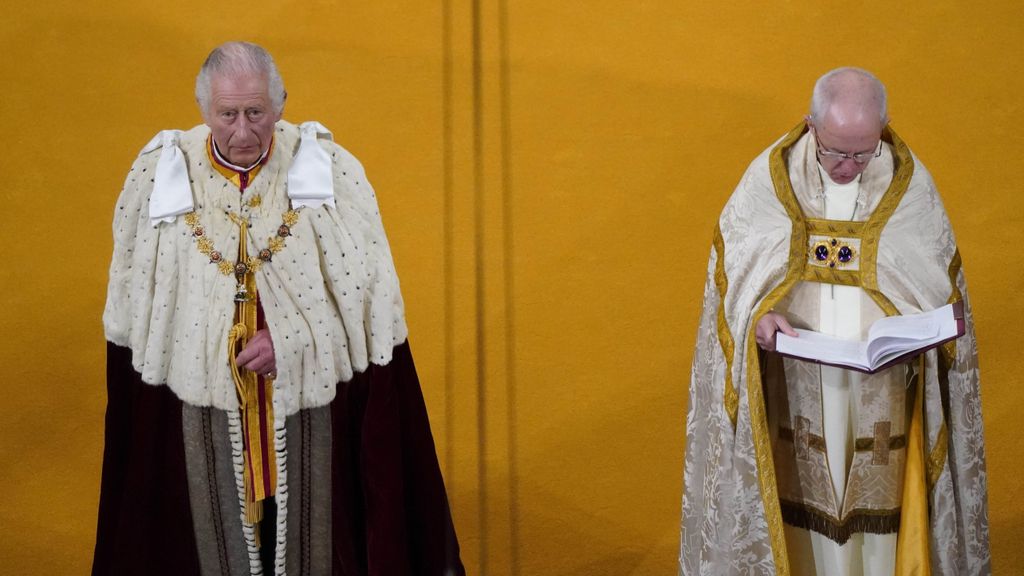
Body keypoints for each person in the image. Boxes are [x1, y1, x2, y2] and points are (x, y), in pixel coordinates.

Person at [93, 41, 465, 576]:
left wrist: (291, 339)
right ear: (203, 110)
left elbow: (371, 312)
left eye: (256, 113)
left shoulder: (332, 172)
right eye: (227, 115)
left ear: (281, 103)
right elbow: (137, 314)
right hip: (198, 421)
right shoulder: (158, 177)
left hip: (309, 416)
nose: (242, 132)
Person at [679, 68, 990, 575]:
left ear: (884, 129)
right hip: (796, 388)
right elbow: (735, 279)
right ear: (810, 125)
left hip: (883, 390)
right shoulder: (770, 180)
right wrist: (759, 318)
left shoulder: (910, 190)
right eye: (835, 151)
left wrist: (918, 333)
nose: (847, 167)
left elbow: (934, 282)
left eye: (862, 153)